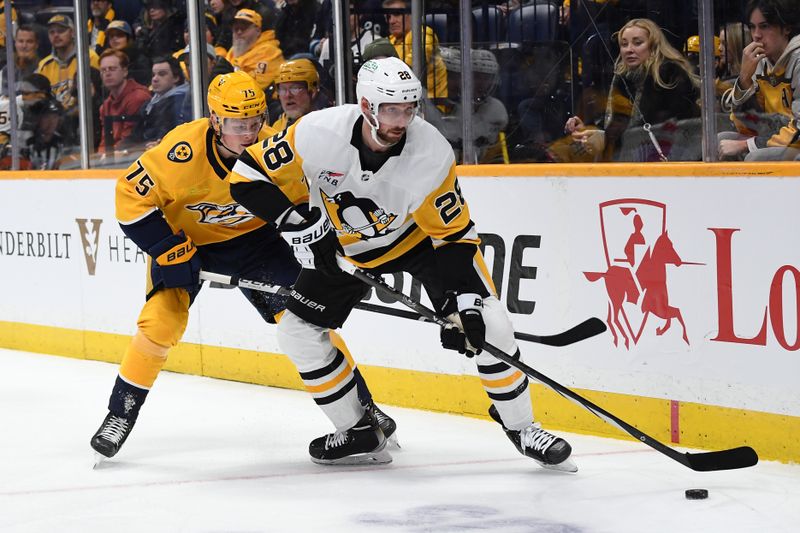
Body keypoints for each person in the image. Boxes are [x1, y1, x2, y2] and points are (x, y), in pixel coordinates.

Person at [228, 57, 575, 470]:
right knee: (296, 333)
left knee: (490, 322)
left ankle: (522, 427)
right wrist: (299, 224)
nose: (401, 120)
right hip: (345, 253)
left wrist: (463, 302)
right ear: (366, 106)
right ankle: (357, 429)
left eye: (409, 109)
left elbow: (453, 237)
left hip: (419, 242)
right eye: (391, 110)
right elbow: (246, 177)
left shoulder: (430, 152)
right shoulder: (317, 132)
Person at [90, 70, 395, 461]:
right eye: (237, 124)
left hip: (257, 245)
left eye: (255, 122)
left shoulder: (273, 148)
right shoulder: (181, 150)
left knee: (304, 322)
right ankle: (120, 415)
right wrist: (166, 248)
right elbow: (129, 195)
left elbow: (309, 201)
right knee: (159, 325)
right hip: (188, 244)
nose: (249, 133)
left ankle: (363, 409)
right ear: (216, 121)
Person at [563, 18, 700, 162]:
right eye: (624, 44)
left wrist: (608, 137)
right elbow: (621, 129)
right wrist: (589, 131)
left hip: (674, 161)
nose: (629, 49)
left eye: (638, 43)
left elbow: (667, 129)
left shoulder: (668, 75)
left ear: (653, 46)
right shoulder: (623, 79)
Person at [718, 0, 800, 161]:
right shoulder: (760, 62)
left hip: (796, 142)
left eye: (764, 26)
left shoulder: (798, 61)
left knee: (756, 158)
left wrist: (747, 145)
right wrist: (744, 80)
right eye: (752, 27)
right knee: (718, 141)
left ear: (786, 28)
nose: (756, 35)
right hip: (779, 138)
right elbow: (747, 127)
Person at [423, 47, 508, 164]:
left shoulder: (494, 110)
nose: (454, 83)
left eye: (457, 76)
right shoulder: (418, 104)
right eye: (448, 75)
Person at [383, 0, 447, 100]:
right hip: (399, 100)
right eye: (388, 17)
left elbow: (408, 69)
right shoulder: (390, 40)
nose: (391, 21)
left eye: (397, 14)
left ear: (412, 14)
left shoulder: (423, 34)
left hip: (431, 104)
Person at [37, 15, 100, 114]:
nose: (56, 35)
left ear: (72, 32)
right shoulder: (44, 64)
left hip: (84, 118)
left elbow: (98, 96)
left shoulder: (88, 57)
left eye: (61, 31)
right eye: (52, 32)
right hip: (55, 120)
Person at [125, 56, 188, 149]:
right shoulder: (149, 104)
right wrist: (122, 149)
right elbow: (135, 134)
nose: (155, 79)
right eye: (153, 74)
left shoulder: (180, 102)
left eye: (162, 74)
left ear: (176, 77)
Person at [97, 49, 151, 154]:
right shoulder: (105, 106)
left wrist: (105, 158)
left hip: (131, 157)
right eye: (103, 70)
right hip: (114, 157)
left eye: (112, 69)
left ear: (125, 71)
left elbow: (129, 139)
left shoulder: (137, 97)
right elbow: (104, 141)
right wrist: (100, 157)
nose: (107, 73)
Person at [225, 8, 284, 90]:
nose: (239, 32)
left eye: (244, 28)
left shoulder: (269, 51)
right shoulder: (231, 52)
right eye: (236, 28)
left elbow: (255, 86)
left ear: (258, 30)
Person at [270, 58, 321, 131]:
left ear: (313, 91)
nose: (288, 95)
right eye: (283, 89)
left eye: (295, 88)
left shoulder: (326, 123)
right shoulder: (275, 128)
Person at [105, 19, 151, 85]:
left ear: (128, 38)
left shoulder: (140, 59)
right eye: (111, 36)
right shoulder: (106, 60)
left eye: (119, 35)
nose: (114, 38)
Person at [0, 24, 40, 96]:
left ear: (36, 45)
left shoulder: (43, 68)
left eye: (29, 42)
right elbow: (5, 96)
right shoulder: (7, 69)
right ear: (15, 43)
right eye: (21, 41)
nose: (24, 46)